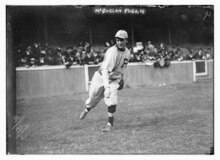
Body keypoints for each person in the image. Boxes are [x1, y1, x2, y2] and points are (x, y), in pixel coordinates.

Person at [79, 30, 131, 132]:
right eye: (117, 40)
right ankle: (87, 109)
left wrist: (122, 79)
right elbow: (105, 71)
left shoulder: (128, 53)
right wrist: (106, 87)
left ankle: (109, 124)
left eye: (121, 40)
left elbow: (122, 68)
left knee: (112, 99)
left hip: (114, 79)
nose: (119, 42)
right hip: (101, 76)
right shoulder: (112, 52)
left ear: (126, 40)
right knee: (93, 97)